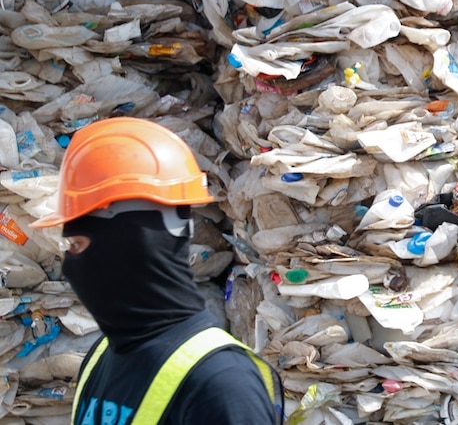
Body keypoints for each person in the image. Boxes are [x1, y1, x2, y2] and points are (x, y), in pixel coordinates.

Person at [31, 117, 283, 425]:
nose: (71, 267)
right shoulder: (103, 357)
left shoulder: (222, 383)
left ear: (133, 243)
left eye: (79, 245)